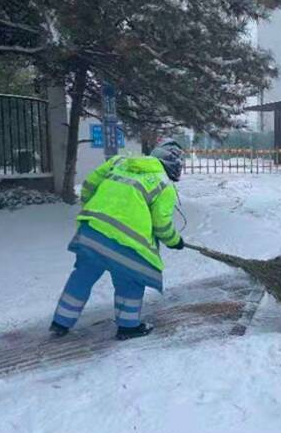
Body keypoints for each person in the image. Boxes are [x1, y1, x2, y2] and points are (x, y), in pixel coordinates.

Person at [49, 139, 186, 340]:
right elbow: (161, 225)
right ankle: (128, 326)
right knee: (130, 281)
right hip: (127, 245)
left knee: (83, 275)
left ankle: (61, 322)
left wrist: (94, 209)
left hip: (92, 232)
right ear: (173, 166)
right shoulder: (164, 185)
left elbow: (88, 185)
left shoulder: (119, 162)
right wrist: (175, 241)